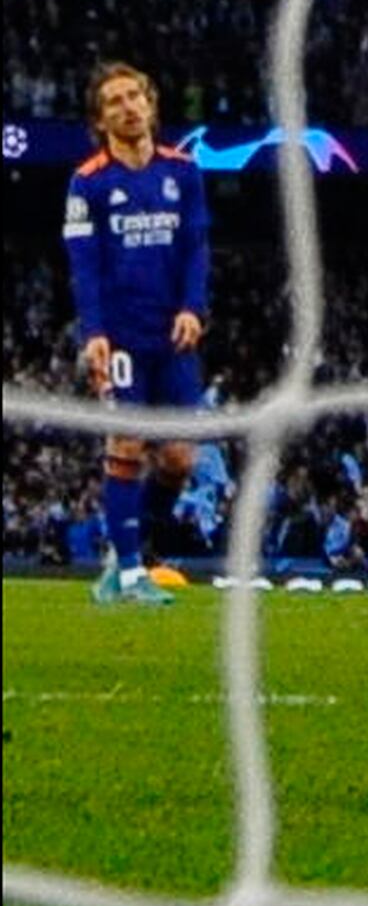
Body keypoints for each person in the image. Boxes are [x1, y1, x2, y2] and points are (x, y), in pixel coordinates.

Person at [65, 59, 208, 606]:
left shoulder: (182, 170)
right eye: (114, 102)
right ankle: (126, 574)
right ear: (101, 121)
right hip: (120, 335)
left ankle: (126, 550)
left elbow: (196, 247)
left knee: (179, 460)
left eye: (134, 97)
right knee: (125, 442)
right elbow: (85, 264)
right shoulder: (88, 182)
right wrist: (94, 331)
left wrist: (193, 307)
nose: (128, 108)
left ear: (150, 104)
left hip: (173, 336)